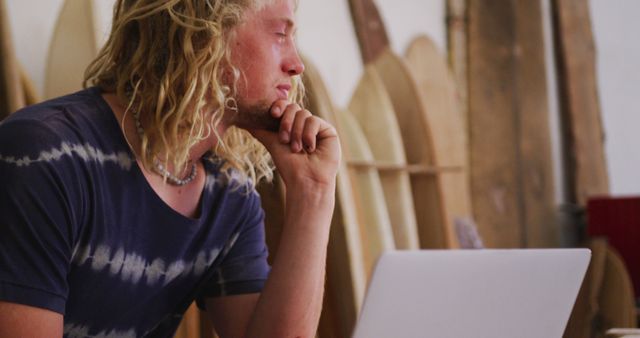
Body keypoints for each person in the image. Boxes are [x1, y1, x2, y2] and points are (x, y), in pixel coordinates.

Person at [0, 0, 340, 337]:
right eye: (281, 33)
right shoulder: (44, 156)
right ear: (205, 33)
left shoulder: (227, 198)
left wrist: (314, 192)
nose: (297, 65)